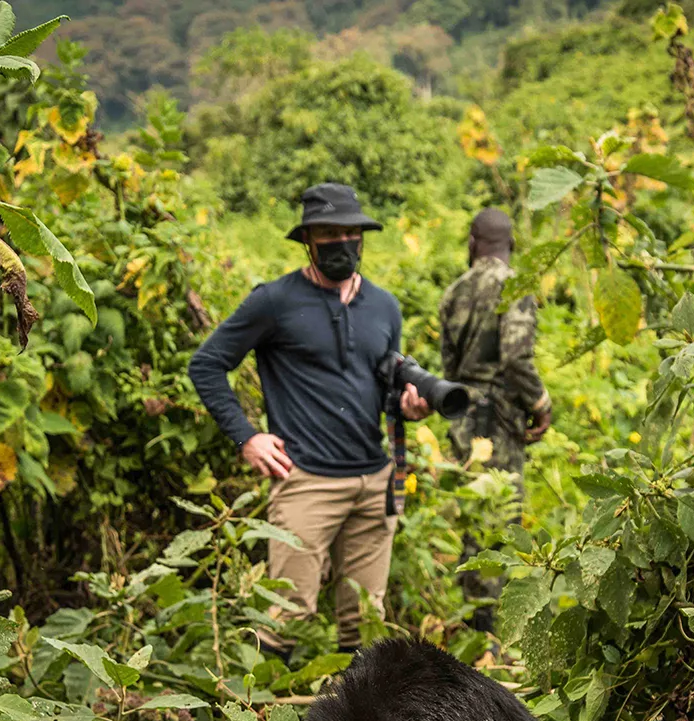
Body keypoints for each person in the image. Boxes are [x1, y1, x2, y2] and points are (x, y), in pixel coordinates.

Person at [187, 182, 431, 659]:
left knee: (367, 621)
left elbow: (381, 386)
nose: (341, 242)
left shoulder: (385, 306)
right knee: (286, 614)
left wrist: (406, 406)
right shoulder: (274, 301)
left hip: (374, 477)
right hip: (306, 481)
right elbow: (207, 364)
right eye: (327, 233)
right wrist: (247, 437)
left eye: (349, 232)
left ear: (362, 237)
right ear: (308, 240)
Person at [438, 208, 552, 635]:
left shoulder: (453, 292)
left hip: (463, 416)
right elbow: (517, 357)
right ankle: (487, 635)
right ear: (512, 246)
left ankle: (473, 623)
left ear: (472, 242)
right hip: (500, 418)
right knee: (499, 520)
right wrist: (540, 402)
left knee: (473, 518)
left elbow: (449, 368)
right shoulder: (514, 288)